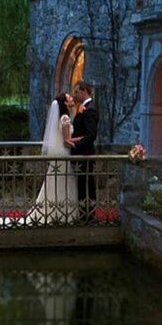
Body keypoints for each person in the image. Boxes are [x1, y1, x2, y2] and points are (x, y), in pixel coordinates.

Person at [27, 93, 79, 225]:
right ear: (65, 103)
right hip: (63, 153)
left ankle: (54, 209)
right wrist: (81, 140)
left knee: (54, 181)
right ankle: (63, 213)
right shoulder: (65, 118)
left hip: (59, 152)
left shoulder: (62, 117)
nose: (72, 98)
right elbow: (67, 141)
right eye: (69, 97)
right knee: (63, 182)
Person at [70, 80, 98, 222]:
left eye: (76, 92)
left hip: (84, 154)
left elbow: (91, 135)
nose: (75, 95)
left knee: (87, 184)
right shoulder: (83, 107)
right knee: (82, 183)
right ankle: (84, 212)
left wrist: (76, 145)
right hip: (80, 155)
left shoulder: (90, 109)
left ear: (84, 91)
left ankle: (88, 214)